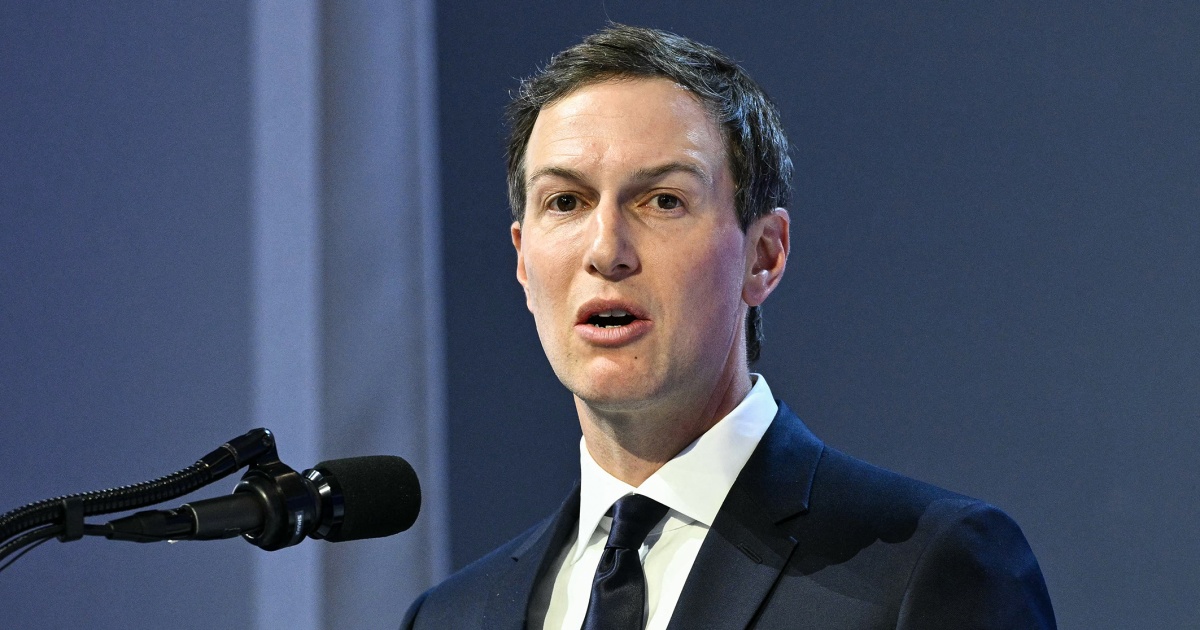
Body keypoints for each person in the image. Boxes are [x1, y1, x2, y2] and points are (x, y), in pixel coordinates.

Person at [403, 24, 1055, 629]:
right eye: (566, 201)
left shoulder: (926, 565)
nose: (606, 250)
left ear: (763, 255)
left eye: (663, 200)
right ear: (523, 261)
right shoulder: (447, 617)